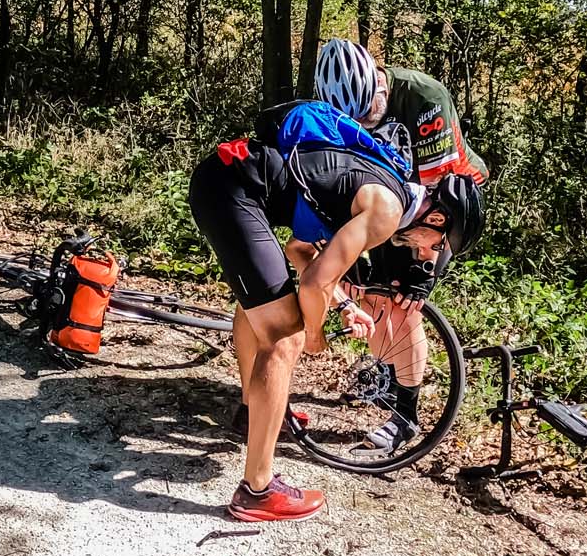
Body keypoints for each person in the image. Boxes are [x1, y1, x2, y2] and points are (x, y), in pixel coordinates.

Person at [188, 98, 483, 521]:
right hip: (233, 189)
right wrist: (313, 332)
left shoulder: (385, 185)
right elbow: (314, 283)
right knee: (285, 335)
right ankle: (257, 489)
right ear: (436, 220)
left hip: (227, 179)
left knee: (260, 310)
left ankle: (254, 414)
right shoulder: (387, 210)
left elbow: (300, 251)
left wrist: (343, 305)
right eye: (436, 245)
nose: (426, 253)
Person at [309, 38, 489, 452]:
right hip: (389, 202)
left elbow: (438, 193)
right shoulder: (343, 112)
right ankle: (390, 376)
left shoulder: (423, 98)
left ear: (378, 84)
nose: (367, 122)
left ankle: (406, 417)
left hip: (444, 204)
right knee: (368, 298)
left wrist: (422, 271)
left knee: (402, 303)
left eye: (371, 111)